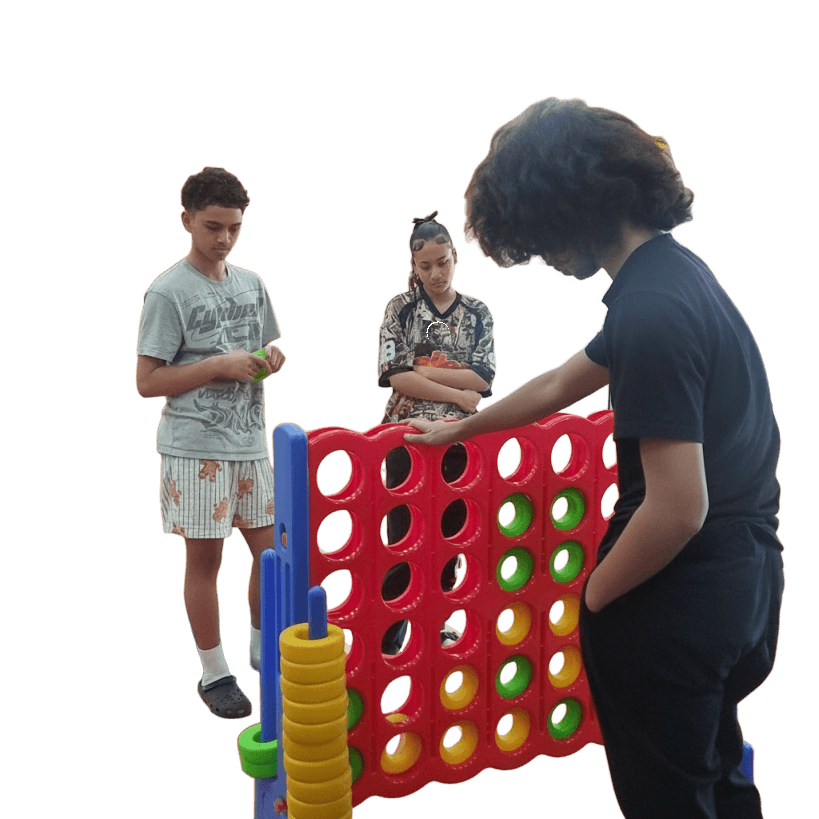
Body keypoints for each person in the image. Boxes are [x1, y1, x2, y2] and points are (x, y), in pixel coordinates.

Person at [405, 98, 784, 819]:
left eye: (538, 235)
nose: (542, 256)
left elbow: (678, 507)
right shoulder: (675, 276)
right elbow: (559, 383)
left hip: (675, 602)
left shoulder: (649, 314)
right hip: (746, 583)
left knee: (668, 802)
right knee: (718, 779)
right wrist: (463, 430)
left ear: (569, 208)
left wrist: (598, 598)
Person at [135, 167, 286, 720]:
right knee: (206, 561)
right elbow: (146, 381)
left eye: (234, 228)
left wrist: (270, 358)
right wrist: (217, 365)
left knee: (273, 553)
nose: (224, 239)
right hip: (195, 447)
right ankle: (213, 672)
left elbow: (266, 346)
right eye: (213, 226)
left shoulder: (252, 283)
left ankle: (261, 647)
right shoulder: (168, 291)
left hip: (250, 442)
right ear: (187, 221)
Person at [377, 211, 497, 654]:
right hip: (406, 438)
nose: (435, 274)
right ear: (413, 265)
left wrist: (426, 371)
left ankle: (437, 628)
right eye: (425, 266)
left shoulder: (477, 312)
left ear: (456, 257)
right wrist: (458, 393)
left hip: (460, 440)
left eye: (443, 263)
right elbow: (397, 376)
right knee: (405, 542)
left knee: (450, 541)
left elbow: (483, 378)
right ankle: (388, 637)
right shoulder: (400, 308)